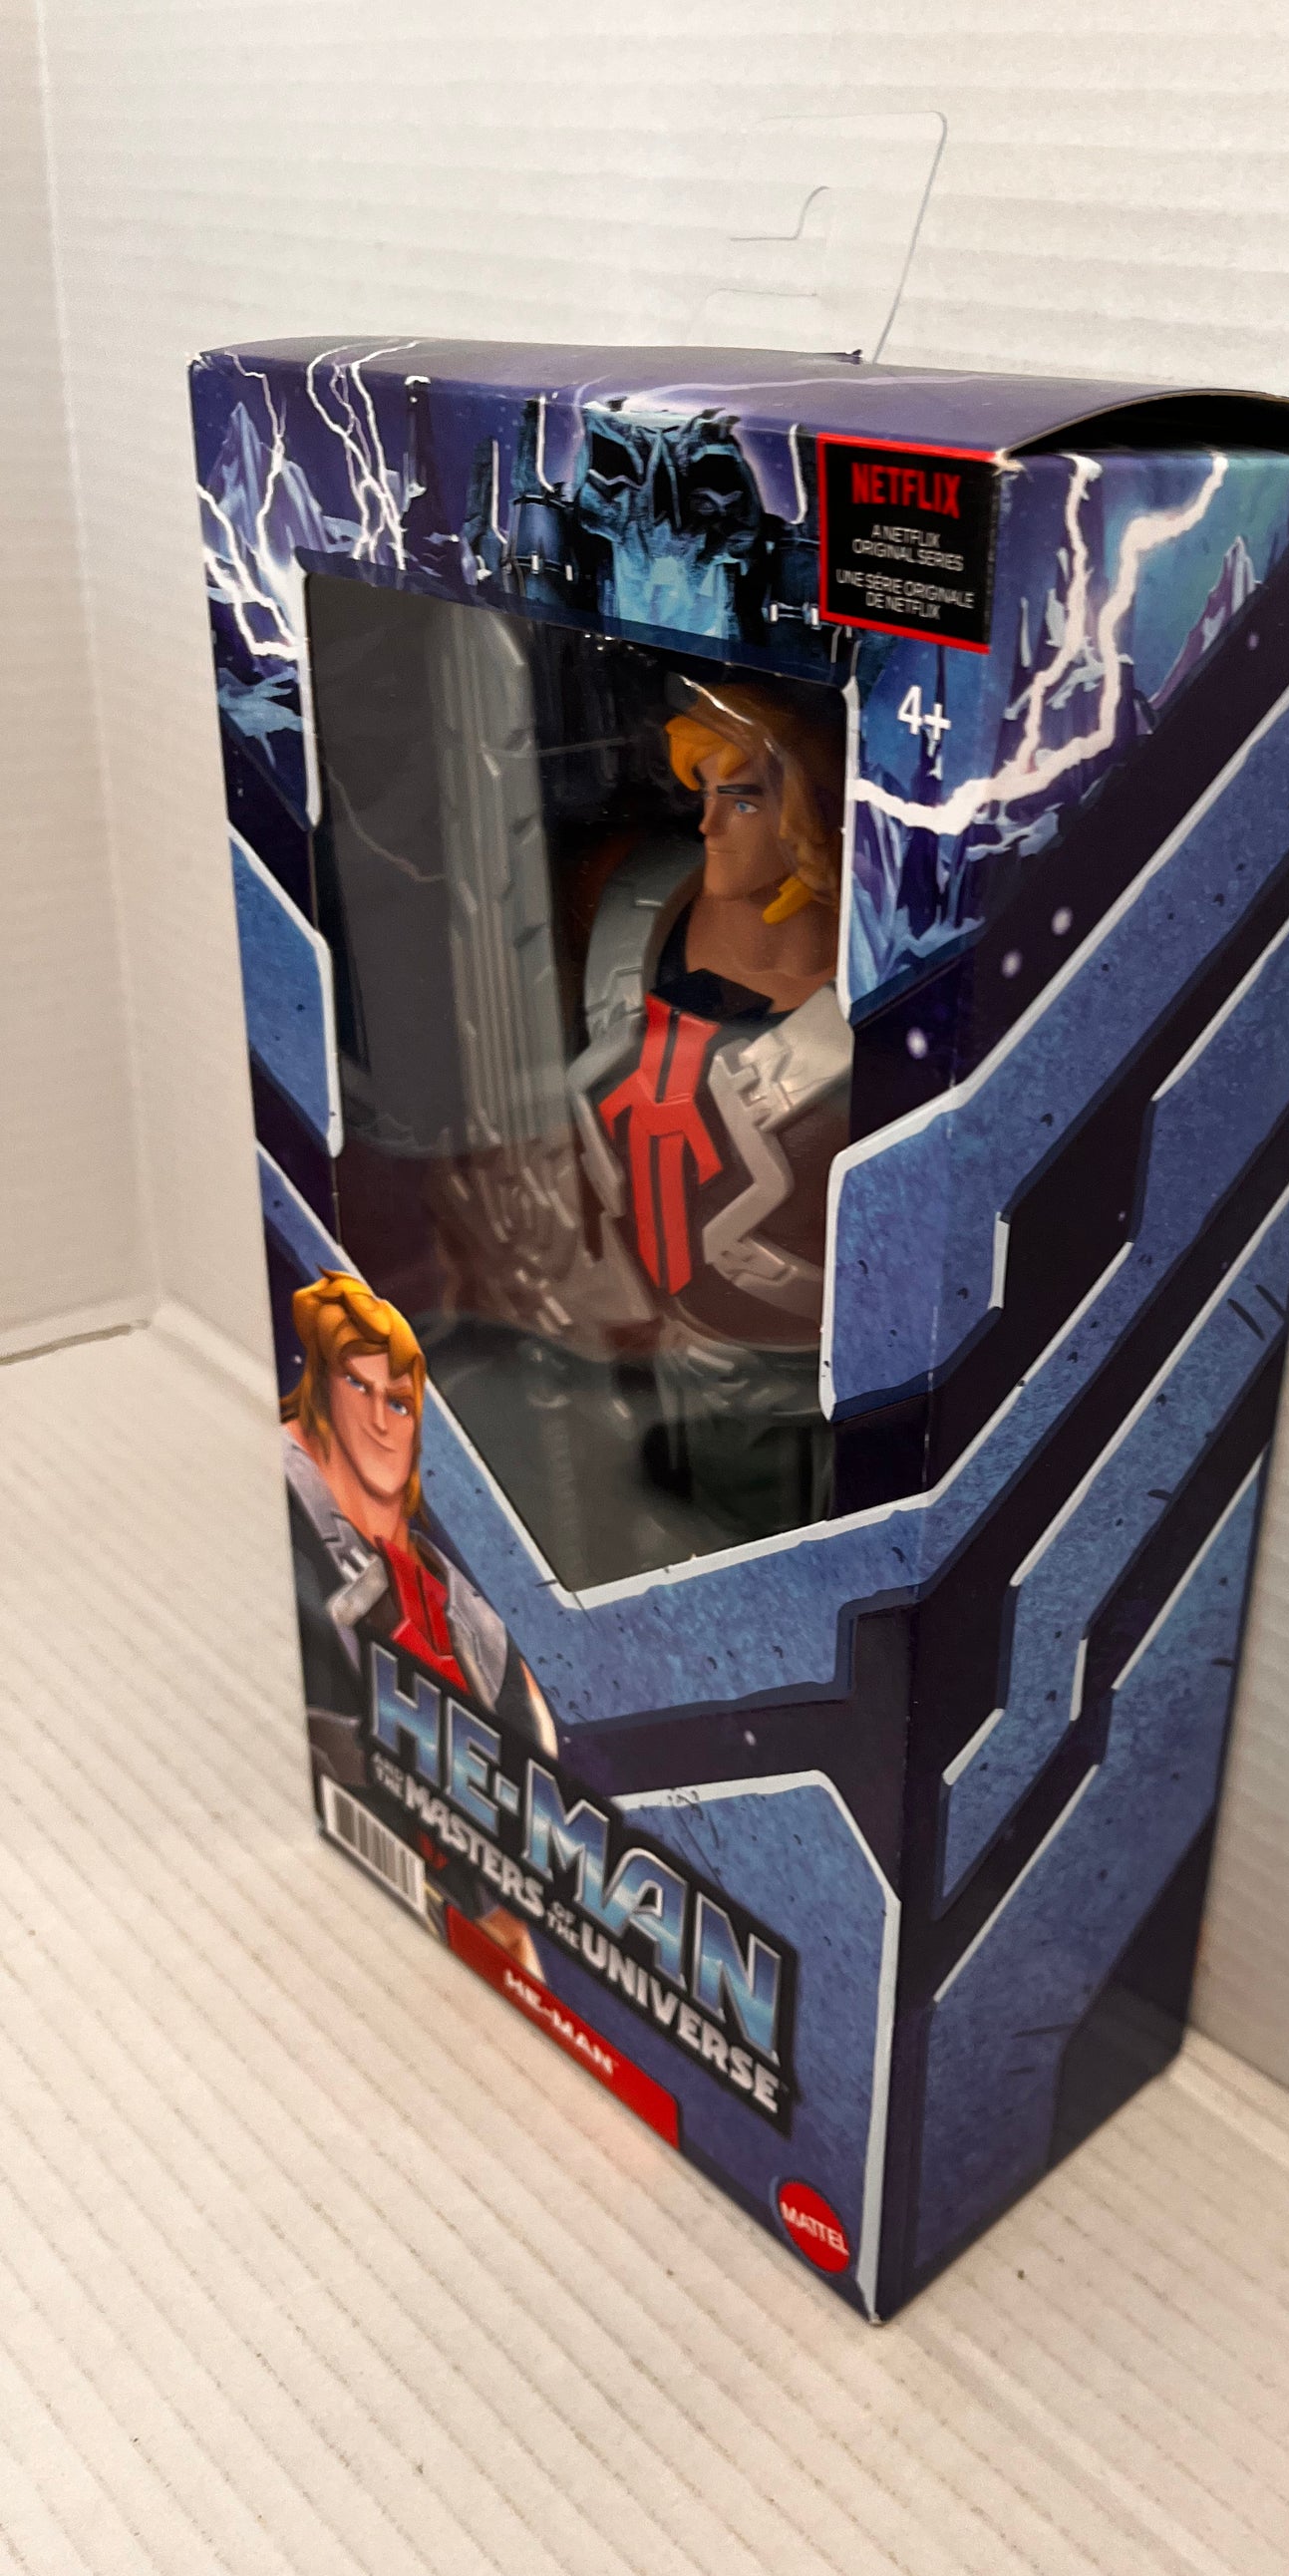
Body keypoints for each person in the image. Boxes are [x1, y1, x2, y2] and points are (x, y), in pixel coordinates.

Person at [569, 681, 851, 1545]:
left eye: (742, 799)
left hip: (812, 1404)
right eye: (703, 794)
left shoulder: (884, 991)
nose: (708, 825)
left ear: (813, 815)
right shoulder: (632, 913)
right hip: (652, 1369)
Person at [281, 1270, 553, 1965]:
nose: (381, 1419)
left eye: (399, 1402)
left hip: (447, 1902)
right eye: (358, 1387)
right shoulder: (292, 1521)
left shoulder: (465, 1617)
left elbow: (517, 1891)